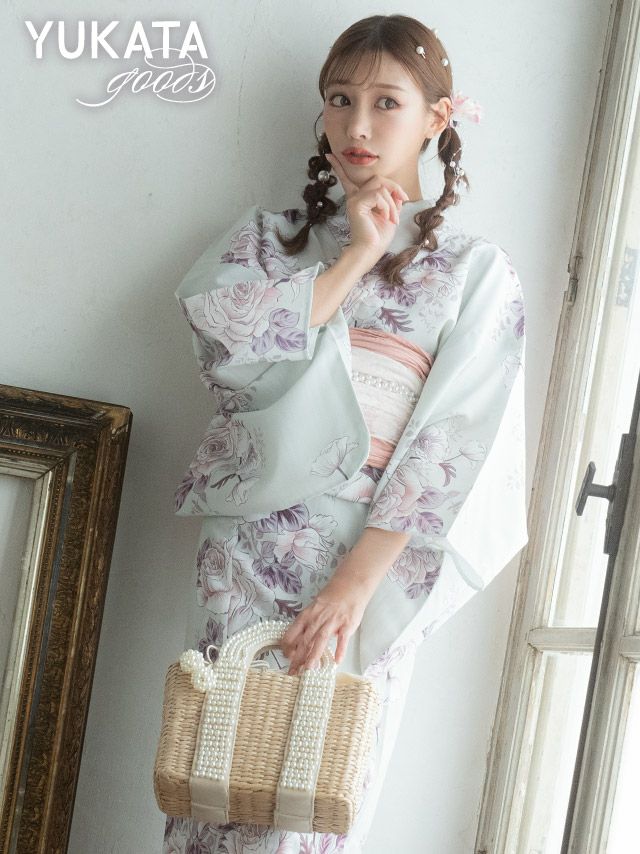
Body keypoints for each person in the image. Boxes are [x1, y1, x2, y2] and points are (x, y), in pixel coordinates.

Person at [163, 13, 528, 854]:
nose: (357, 125)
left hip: (367, 560)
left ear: (437, 118)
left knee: (315, 801)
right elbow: (227, 351)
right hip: (251, 546)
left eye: (386, 102)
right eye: (339, 99)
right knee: (210, 785)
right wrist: (356, 256)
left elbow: (455, 442)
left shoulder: (473, 271)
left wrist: (354, 588)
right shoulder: (268, 240)